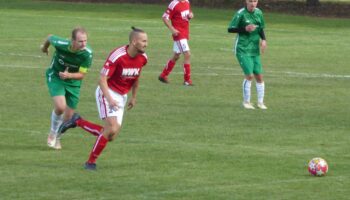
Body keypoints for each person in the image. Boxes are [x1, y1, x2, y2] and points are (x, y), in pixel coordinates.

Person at [57, 27, 148, 170]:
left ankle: (78, 121)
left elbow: (136, 77)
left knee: (111, 135)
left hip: (121, 96)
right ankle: (90, 162)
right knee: (111, 127)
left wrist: (134, 97)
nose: (146, 44)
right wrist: (109, 98)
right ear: (134, 41)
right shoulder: (117, 56)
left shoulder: (143, 58)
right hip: (107, 92)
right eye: (143, 41)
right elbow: (102, 79)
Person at [41, 27, 93, 149]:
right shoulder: (61, 44)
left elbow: (82, 75)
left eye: (85, 41)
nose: (84, 44)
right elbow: (50, 37)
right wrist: (44, 48)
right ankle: (53, 133)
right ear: (72, 41)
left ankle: (58, 137)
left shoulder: (87, 54)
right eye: (80, 41)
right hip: (56, 77)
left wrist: (69, 75)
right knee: (60, 107)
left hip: (73, 82)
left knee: (68, 118)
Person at [228, 0, 267, 109]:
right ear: (246, 1)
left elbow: (260, 28)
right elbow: (230, 29)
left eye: (255, 1)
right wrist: (245, 29)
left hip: (254, 49)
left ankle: (260, 102)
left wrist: (264, 40)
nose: (253, 3)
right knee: (249, 75)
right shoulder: (241, 13)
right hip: (242, 48)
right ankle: (246, 102)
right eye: (250, 1)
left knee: (259, 76)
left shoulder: (259, 12)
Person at [158, 0, 194, 86]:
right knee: (187, 54)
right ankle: (187, 80)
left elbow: (188, 13)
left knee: (176, 55)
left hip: (185, 33)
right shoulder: (174, 3)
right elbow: (164, 17)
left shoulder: (187, 2)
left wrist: (191, 15)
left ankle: (163, 75)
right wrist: (172, 29)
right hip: (178, 33)